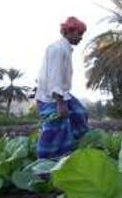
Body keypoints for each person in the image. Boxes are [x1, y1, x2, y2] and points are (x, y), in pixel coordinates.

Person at [34, 16, 89, 159]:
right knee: (54, 130)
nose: (81, 37)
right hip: (51, 98)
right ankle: (44, 163)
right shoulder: (57, 49)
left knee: (80, 114)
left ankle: (68, 148)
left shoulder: (65, 49)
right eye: (79, 34)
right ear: (69, 32)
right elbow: (54, 77)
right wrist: (60, 103)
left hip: (63, 94)